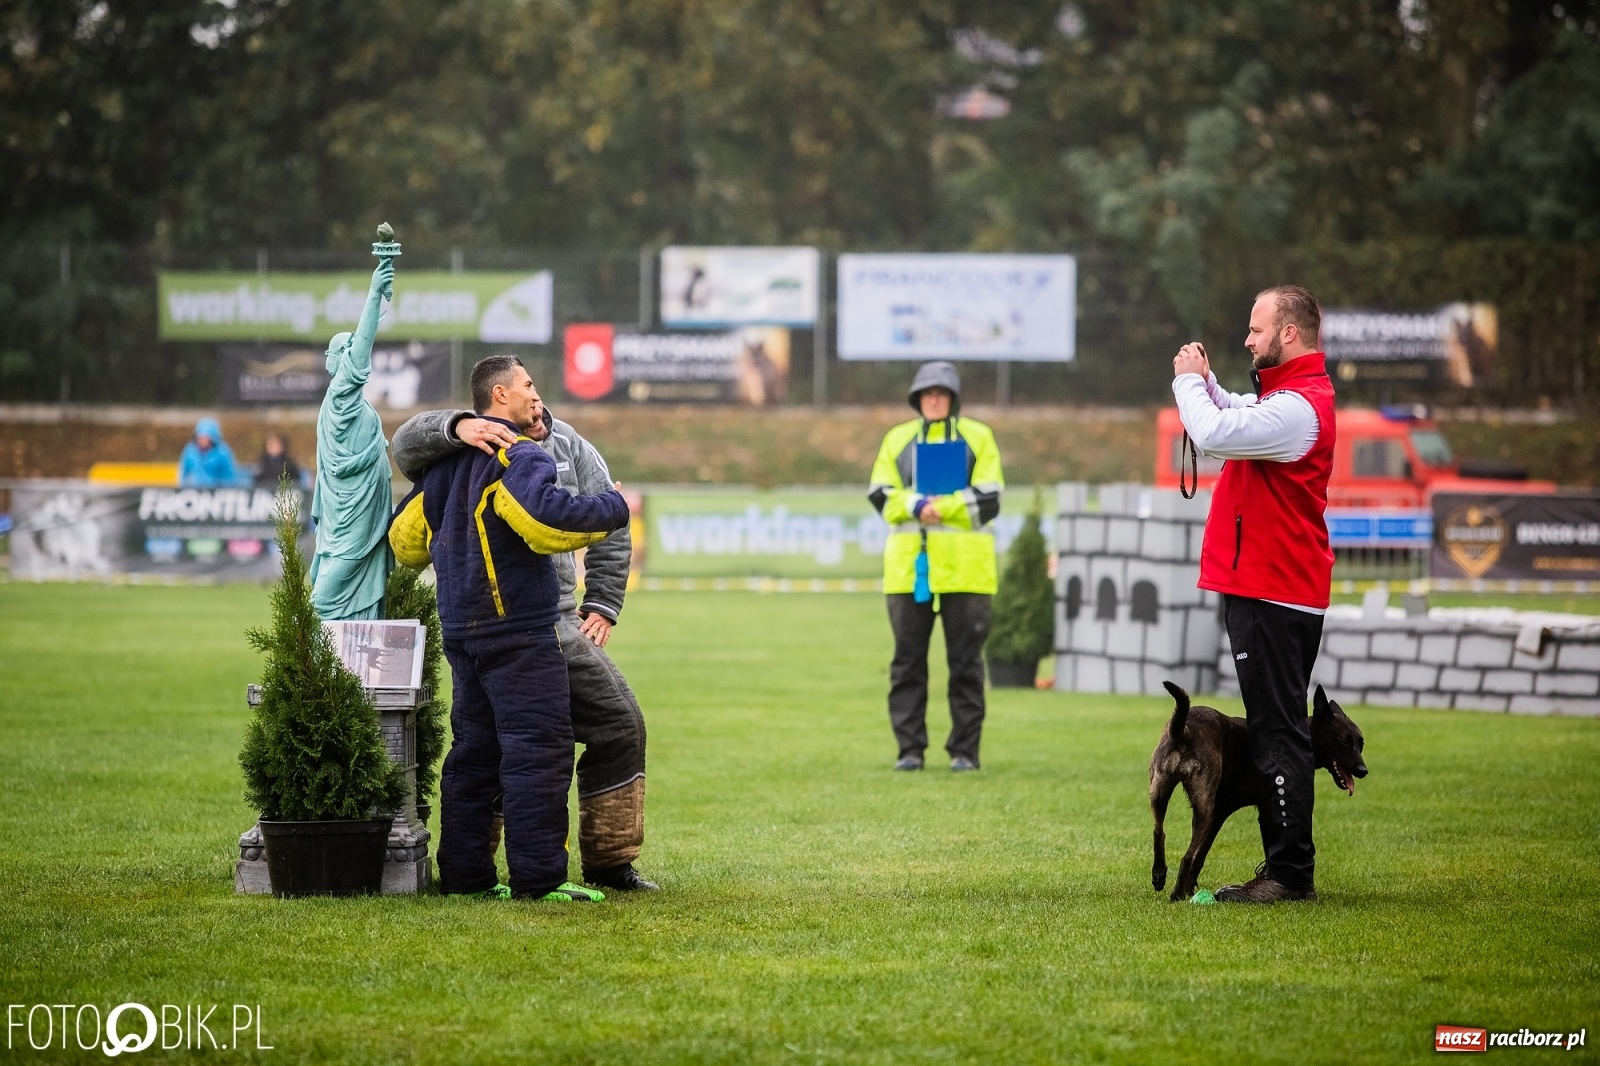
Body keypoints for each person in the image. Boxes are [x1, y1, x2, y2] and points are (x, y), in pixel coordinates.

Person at [391, 394, 657, 892]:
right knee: (574, 737)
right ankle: (594, 867)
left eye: (538, 396)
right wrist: (456, 426)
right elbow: (404, 446)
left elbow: (612, 527)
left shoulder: (569, 444)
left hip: (507, 625)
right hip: (534, 629)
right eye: (527, 393)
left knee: (491, 745)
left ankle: (472, 874)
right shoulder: (465, 441)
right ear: (499, 398)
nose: (537, 404)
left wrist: (602, 602)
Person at [1170, 284, 1336, 904]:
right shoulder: (1292, 398)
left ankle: (1289, 874)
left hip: (1272, 591)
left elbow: (1214, 433)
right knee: (1277, 728)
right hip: (1272, 588)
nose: (1247, 338)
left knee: (1277, 733)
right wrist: (1210, 382)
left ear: (1288, 334)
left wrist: (1188, 383)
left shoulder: (1298, 407)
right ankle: (1285, 868)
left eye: (1256, 329)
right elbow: (1236, 410)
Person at [867, 361, 1004, 772]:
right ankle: (909, 751)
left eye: (941, 393)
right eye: (927, 393)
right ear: (916, 398)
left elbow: (991, 498)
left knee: (965, 665)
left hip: (967, 571)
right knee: (907, 663)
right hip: (910, 572)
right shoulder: (897, 439)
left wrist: (935, 507)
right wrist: (916, 505)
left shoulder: (979, 437)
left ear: (953, 398)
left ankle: (965, 752)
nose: (933, 399)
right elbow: (879, 494)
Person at [310, 259, 395, 622]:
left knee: (333, 605)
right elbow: (362, 347)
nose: (349, 357)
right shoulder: (340, 398)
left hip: (358, 516)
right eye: (341, 352)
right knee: (325, 603)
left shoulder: (349, 402)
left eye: (347, 351)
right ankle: (326, 675)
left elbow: (360, 348)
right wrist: (374, 295)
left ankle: (346, 674)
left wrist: (376, 295)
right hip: (345, 518)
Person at [178, 417, 247, 487]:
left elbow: (229, 477)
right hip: (194, 492)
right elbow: (184, 473)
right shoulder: (190, 451)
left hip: (216, 492)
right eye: (200, 437)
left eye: (205, 437)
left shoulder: (223, 453)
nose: (202, 441)